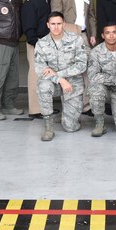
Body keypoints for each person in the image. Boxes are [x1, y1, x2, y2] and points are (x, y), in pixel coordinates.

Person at [34, 12, 88, 141]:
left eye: (59, 23)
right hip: (53, 82)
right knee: (43, 86)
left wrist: (59, 74)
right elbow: (40, 68)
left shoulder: (76, 40)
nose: (56, 27)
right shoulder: (41, 44)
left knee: (70, 127)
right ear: (48, 25)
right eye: (53, 24)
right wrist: (59, 79)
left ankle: (68, 115)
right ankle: (48, 126)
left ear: (63, 24)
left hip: (73, 83)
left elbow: (81, 65)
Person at [87, 22, 116, 136]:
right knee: (95, 90)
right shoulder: (95, 53)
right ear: (103, 36)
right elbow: (93, 76)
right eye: (107, 33)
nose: (111, 35)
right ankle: (100, 124)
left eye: (114, 32)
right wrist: (115, 79)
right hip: (105, 90)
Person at [21, 0, 51, 119]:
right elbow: (28, 27)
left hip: (48, 43)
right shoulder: (30, 2)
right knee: (35, 76)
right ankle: (35, 109)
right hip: (36, 43)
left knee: (46, 76)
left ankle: (45, 107)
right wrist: (36, 43)